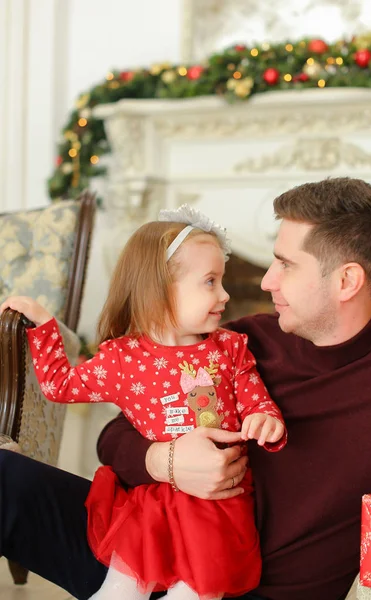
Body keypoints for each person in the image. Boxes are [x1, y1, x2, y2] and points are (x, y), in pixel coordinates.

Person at [0, 175, 371, 600]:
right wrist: (164, 460)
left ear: (346, 281)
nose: (267, 282)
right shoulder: (241, 341)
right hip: (152, 545)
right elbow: (114, 433)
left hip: (245, 585)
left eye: (286, 264)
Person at [0, 204, 286, 600]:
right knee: (121, 587)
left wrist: (265, 420)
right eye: (210, 281)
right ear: (161, 288)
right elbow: (60, 385)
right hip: (150, 508)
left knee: (197, 590)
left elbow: (257, 401)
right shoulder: (122, 358)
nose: (224, 294)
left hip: (216, 508)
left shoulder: (231, 349)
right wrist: (44, 325)